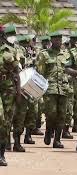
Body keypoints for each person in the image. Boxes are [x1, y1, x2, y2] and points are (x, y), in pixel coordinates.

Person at [37, 32, 71, 149]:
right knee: (51, 113)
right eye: (56, 40)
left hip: (64, 88)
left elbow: (70, 69)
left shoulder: (66, 55)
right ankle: (48, 130)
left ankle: (57, 140)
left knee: (62, 115)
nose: (59, 42)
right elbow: (40, 73)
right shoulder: (44, 55)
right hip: (50, 89)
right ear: (52, 41)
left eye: (60, 40)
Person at [12, 35, 38, 152]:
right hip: (11, 87)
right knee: (12, 116)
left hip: (23, 87)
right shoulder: (16, 52)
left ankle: (18, 141)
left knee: (23, 114)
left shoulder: (29, 54)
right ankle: (11, 141)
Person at [0, 24, 21, 166]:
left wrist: (19, 92)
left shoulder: (10, 51)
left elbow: (17, 74)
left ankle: (1, 154)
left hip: (7, 89)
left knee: (5, 123)